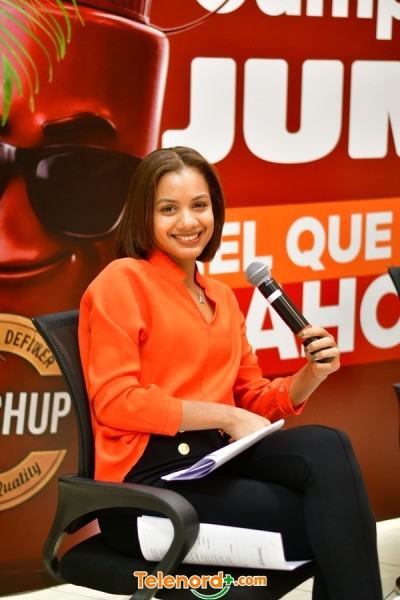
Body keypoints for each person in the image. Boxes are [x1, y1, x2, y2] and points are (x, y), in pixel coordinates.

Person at [78, 146, 383, 600]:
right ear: (144, 215)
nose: (188, 221)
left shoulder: (219, 295)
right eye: (168, 209)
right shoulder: (122, 280)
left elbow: (251, 398)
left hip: (214, 462)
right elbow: (115, 401)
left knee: (328, 444)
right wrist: (224, 416)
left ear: (215, 211)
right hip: (148, 489)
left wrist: (312, 373)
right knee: (333, 519)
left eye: (199, 205)